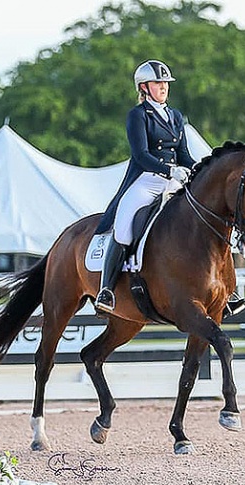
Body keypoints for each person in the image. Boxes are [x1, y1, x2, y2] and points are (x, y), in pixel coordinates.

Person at [94, 59, 196, 313]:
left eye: (165, 83)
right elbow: (140, 154)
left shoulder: (175, 116)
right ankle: (106, 290)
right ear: (144, 87)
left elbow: (183, 154)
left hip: (174, 182)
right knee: (125, 227)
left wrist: (199, 169)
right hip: (146, 181)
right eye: (158, 83)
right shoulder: (138, 115)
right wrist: (169, 170)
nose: (163, 87)